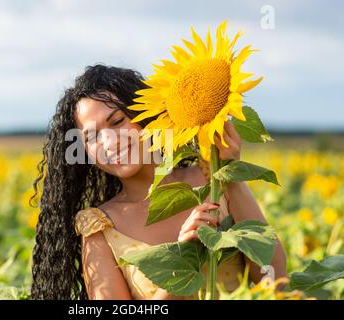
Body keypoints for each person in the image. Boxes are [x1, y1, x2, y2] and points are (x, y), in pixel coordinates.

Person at [30, 64, 287, 300]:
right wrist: (181, 259)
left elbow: (273, 279)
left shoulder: (213, 180)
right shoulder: (99, 228)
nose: (109, 142)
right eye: (92, 137)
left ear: (148, 115)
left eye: (118, 122)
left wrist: (230, 174)